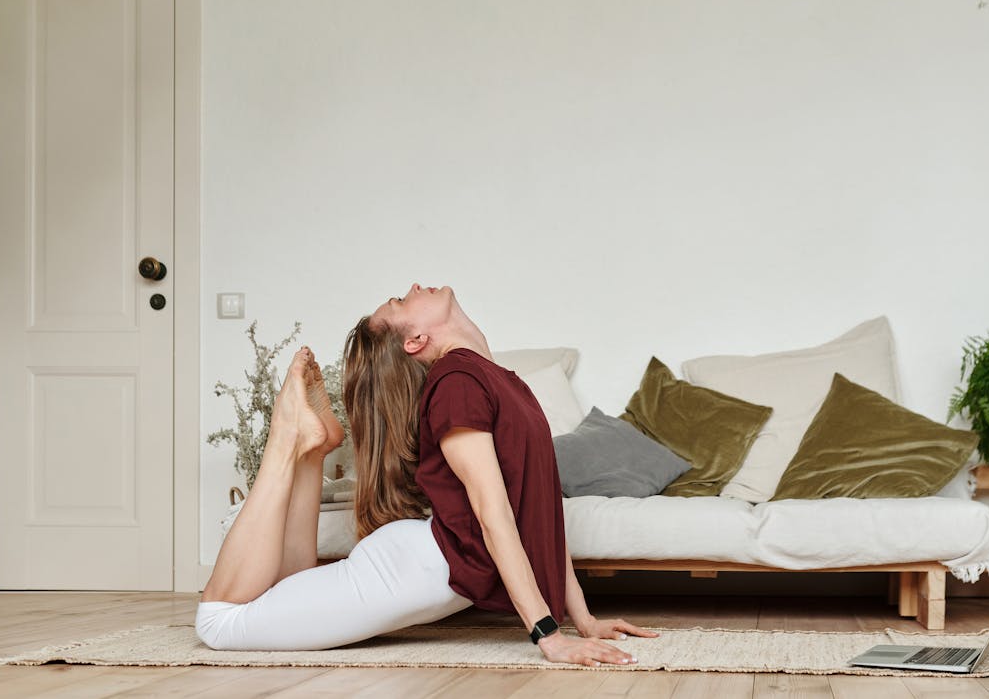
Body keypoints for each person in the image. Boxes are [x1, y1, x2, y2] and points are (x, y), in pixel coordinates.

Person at [196, 283, 657, 665]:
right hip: (410, 570)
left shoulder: (496, 380)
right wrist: (548, 635)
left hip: (419, 562)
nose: (414, 288)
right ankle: (287, 438)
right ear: (414, 341)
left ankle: (313, 452)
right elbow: (493, 514)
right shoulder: (458, 384)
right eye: (401, 300)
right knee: (218, 622)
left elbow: (541, 515)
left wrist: (584, 619)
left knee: (280, 591)